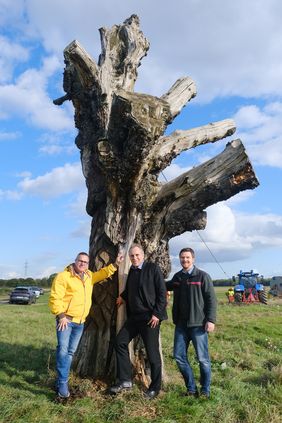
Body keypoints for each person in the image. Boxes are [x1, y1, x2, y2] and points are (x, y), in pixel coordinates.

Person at [49, 251, 123, 399]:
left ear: (87, 264)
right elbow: (55, 297)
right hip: (66, 321)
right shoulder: (63, 276)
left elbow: (102, 274)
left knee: (69, 352)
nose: (82, 263)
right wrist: (61, 315)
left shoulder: (88, 276)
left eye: (85, 262)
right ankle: (63, 383)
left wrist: (115, 264)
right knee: (63, 351)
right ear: (75, 261)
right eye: (80, 261)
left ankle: (60, 380)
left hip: (80, 322)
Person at [109, 244, 167, 400]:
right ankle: (126, 380)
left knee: (153, 354)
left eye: (137, 255)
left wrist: (157, 314)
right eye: (132, 256)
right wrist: (123, 296)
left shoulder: (152, 269)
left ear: (143, 255)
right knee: (120, 342)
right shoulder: (133, 272)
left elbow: (162, 293)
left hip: (150, 319)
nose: (135, 258)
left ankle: (155, 388)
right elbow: (131, 291)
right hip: (134, 318)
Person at [166, 247, 217, 399]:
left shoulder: (202, 276)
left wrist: (211, 320)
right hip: (181, 325)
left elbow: (211, 300)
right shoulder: (178, 277)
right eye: (182, 258)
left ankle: (205, 390)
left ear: (193, 259)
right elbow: (164, 285)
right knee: (179, 356)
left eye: (187, 258)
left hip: (198, 325)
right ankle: (191, 389)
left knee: (203, 359)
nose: (185, 260)